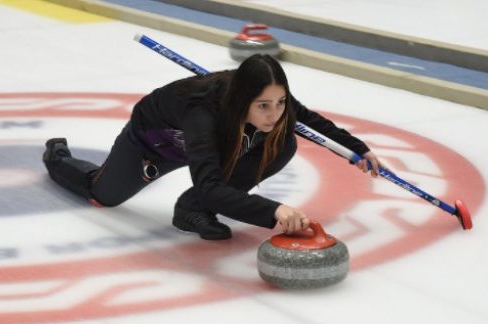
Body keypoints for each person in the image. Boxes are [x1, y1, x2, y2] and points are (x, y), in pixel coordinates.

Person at [43, 54, 383, 240]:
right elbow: (210, 183)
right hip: (157, 144)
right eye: (264, 106)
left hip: (214, 141)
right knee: (104, 195)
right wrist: (274, 210)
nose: (275, 113)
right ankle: (57, 156)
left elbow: (309, 120)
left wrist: (357, 149)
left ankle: (191, 210)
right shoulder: (201, 113)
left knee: (282, 143)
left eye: (280, 103)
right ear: (242, 99)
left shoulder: (273, 102)